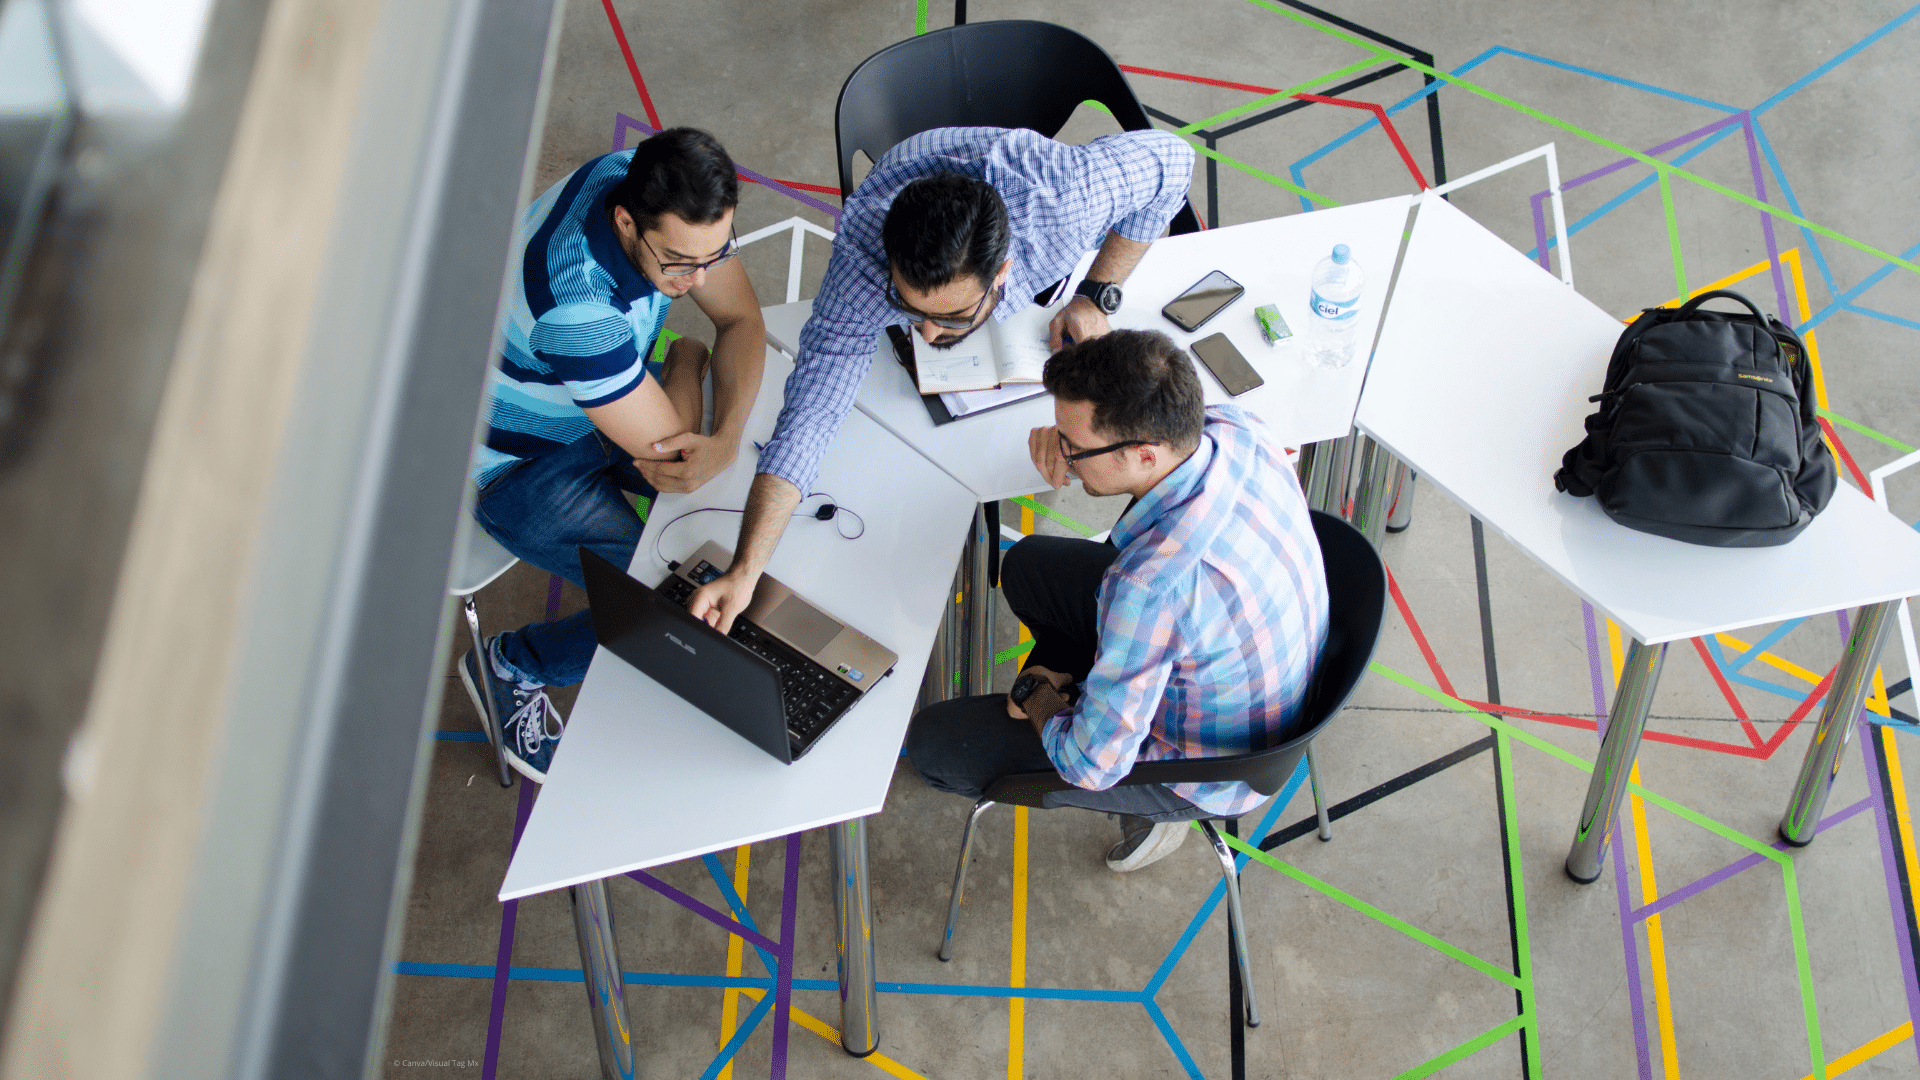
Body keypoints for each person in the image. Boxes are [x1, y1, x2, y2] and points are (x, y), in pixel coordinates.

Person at [684, 125, 1196, 634]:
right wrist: (746, 569)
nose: (926, 335)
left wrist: (1098, 291)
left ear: (1003, 274)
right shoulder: (864, 257)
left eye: (951, 318)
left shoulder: (1064, 200)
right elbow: (810, 414)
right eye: (908, 308)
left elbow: (1175, 162)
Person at [904, 330, 1330, 871]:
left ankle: (1152, 814)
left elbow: (1090, 764)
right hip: (1260, 671)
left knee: (934, 744)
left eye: (1072, 447)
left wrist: (1039, 697)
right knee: (1029, 566)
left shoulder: (1151, 586)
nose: (1062, 454)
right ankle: (1092, 683)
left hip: (1205, 768)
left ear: (1144, 453)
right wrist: (1067, 438)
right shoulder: (1235, 429)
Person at [459, 128, 766, 782]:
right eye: (680, 263)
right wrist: (686, 361)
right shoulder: (577, 309)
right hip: (516, 465)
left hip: (593, 401)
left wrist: (727, 435)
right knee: (659, 608)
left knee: (726, 500)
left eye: (718, 254)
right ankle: (514, 664)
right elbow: (677, 465)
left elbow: (741, 321)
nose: (700, 279)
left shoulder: (645, 180)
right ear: (626, 222)